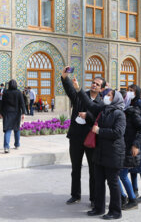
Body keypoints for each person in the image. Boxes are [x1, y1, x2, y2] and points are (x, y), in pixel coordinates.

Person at [74, 79, 126, 220]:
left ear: (115, 99)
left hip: (113, 154)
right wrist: (79, 90)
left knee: (113, 183)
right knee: (98, 181)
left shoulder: (119, 114)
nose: (106, 97)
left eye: (109, 96)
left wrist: (100, 131)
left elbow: (118, 133)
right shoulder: (103, 110)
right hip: (100, 152)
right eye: (106, 95)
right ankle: (99, 208)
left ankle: (115, 211)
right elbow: (89, 104)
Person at [61, 67, 104, 208]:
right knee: (76, 168)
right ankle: (75, 195)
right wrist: (64, 77)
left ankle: (93, 198)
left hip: (91, 140)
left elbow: (100, 118)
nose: (94, 85)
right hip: (76, 138)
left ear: (101, 89)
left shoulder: (102, 103)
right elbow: (70, 91)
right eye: (93, 82)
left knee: (93, 170)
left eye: (97, 84)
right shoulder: (81, 95)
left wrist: (88, 116)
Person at [119, 90, 141, 210]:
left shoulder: (131, 113)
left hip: (128, 149)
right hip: (119, 149)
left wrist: (136, 144)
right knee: (116, 174)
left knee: (122, 174)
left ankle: (131, 199)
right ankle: (124, 196)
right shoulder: (119, 112)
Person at [0, 79, 26, 153]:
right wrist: (23, 113)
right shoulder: (19, 93)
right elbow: (22, 103)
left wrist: (1, 113)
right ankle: (17, 144)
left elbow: (2, 103)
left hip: (7, 113)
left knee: (8, 130)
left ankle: (6, 147)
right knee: (16, 129)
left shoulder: (5, 92)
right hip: (16, 113)